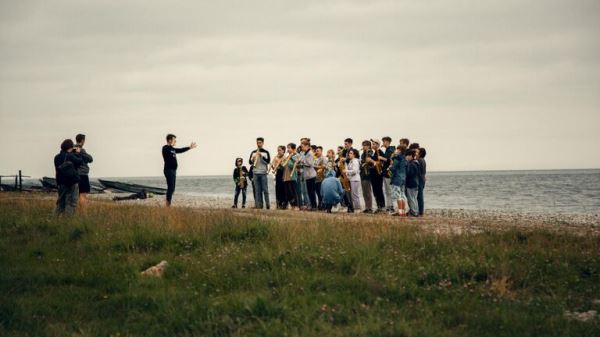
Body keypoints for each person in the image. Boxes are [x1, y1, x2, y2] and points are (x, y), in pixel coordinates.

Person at [162, 134, 197, 207]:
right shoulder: (165, 148)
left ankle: (168, 204)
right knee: (170, 188)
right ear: (169, 140)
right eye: (174, 140)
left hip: (173, 171)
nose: (175, 141)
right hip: (168, 170)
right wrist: (170, 145)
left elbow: (180, 150)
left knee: (172, 189)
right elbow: (167, 150)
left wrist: (189, 147)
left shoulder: (172, 149)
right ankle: (168, 205)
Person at [54, 139, 83, 215]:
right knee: (71, 202)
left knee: (61, 203)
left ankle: (54, 219)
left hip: (60, 182)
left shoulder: (56, 157)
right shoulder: (71, 156)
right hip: (71, 182)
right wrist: (78, 153)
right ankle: (67, 220)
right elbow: (79, 162)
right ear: (70, 147)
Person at [249, 137, 271, 209]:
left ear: (263, 143)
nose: (259, 144)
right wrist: (252, 159)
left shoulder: (266, 152)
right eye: (257, 143)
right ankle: (259, 206)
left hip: (263, 173)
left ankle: (268, 205)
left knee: (265, 190)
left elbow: (268, 161)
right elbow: (250, 162)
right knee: (257, 191)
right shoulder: (253, 152)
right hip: (255, 173)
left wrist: (262, 156)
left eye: (260, 143)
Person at [368, 139, 387, 213]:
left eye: (375, 144)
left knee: (379, 190)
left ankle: (382, 207)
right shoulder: (373, 152)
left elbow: (383, 162)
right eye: (372, 144)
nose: (373, 145)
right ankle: (378, 206)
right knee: (375, 191)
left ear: (378, 145)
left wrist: (376, 162)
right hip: (373, 174)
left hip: (378, 174)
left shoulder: (380, 152)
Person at [74, 134, 93, 207]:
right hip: (82, 174)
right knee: (83, 194)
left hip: (75, 174)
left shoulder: (72, 149)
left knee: (77, 194)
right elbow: (90, 159)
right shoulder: (80, 149)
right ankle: (83, 212)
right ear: (82, 140)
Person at [390, 146, 408, 216]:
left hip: (397, 178)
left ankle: (400, 212)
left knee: (398, 196)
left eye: (397, 149)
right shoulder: (405, 158)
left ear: (400, 150)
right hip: (403, 178)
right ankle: (403, 211)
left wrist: (390, 167)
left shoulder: (397, 158)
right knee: (402, 195)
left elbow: (393, 168)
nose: (396, 150)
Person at [301, 140, 318, 210]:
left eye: (302, 146)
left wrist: (302, 162)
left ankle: (314, 206)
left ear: (307, 146)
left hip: (311, 175)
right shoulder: (305, 153)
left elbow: (310, 164)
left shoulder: (310, 153)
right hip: (307, 176)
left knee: (312, 192)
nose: (302, 148)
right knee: (309, 192)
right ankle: (311, 205)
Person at [283, 143, 299, 210]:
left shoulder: (296, 156)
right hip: (286, 177)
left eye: (289, 148)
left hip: (292, 177)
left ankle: (296, 206)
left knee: (293, 192)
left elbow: (292, 166)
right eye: (287, 148)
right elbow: (283, 165)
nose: (288, 149)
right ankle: (292, 205)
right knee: (287, 192)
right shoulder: (288, 156)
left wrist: (289, 159)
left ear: (294, 149)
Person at [405, 149, 421, 217]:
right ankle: (415, 211)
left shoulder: (412, 164)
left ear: (411, 156)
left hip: (411, 183)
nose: (406, 157)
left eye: (407, 156)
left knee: (411, 198)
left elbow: (409, 173)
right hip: (415, 183)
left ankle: (414, 212)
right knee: (414, 198)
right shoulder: (416, 163)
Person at [382, 136, 396, 212]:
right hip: (386, 172)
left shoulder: (390, 149)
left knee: (389, 190)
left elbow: (389, 160)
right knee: (387, 190)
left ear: (387, 142)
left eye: (384, 141)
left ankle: (391, 206)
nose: (383, 143)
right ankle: (389, 205)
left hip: (388, 173)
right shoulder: (388, 149)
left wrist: (381, 158)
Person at [360, 140, 374, 213]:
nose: (363, 147)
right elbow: (362, 162)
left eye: (365, 145)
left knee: (368, 192)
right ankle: (366, 207)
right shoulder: (363, 154)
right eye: (363, 145)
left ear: (368, 146)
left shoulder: (370, 152)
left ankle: (370, 208)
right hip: (363, 174)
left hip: (367, 174)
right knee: (364, 192)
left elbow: (369, 161)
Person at [416, 147, 427, 216]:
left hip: (420, 179)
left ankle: (420, 212)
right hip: (422, 179)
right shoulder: (422, 160)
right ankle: (420, 211)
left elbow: (418, 172)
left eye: (417, 152)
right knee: (419, 196)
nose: (415, 153)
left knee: (419, 196)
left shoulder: (420, 160)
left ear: (420, 153)